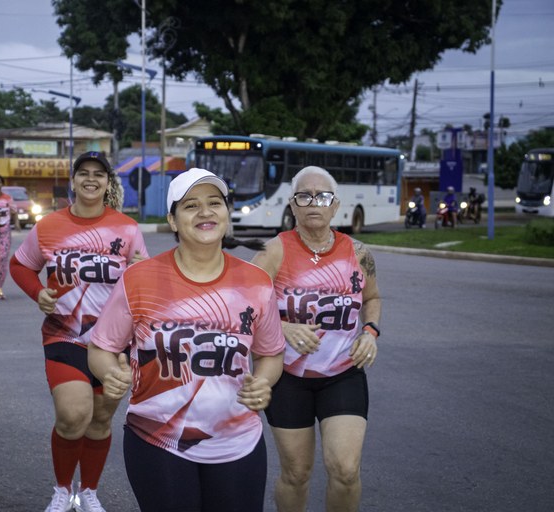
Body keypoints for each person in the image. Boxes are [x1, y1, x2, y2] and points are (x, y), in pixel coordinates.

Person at [88, 168, 285, 512]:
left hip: (238, 441)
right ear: (173, 220)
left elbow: (270, 354)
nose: (205, 212)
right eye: (191, 205)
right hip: (156, 438)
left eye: (215, 203)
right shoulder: (138, 279)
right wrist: (111, 373)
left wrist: (264, 382)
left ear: (227, 212)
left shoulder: (256, 282)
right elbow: (101, 348)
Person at [9, 151, 149, 512]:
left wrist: (141, 271)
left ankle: (88, 492)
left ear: (107, 182)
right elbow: (20, 265)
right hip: (64, 334)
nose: (90, 179)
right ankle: (61, 490)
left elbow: (146, 283)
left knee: (100, 420)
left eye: (98, 174)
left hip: (113, 342)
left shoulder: (128, 229)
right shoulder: (49, 226)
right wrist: (38, 292)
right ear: (73, 180)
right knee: (73, 416)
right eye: (83, 173)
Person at [250, 165, 382, 512]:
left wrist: (370, 331)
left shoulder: (358, 252)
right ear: (292, 205)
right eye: (304, 196)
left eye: (322, 196)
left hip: (343, 373)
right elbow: (243, 306)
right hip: (287, 377)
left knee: (346, 470)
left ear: (335, 205)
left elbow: (372, 298)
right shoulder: (273, 251)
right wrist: (282, 327)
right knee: (297, 474)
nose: (313, 203)